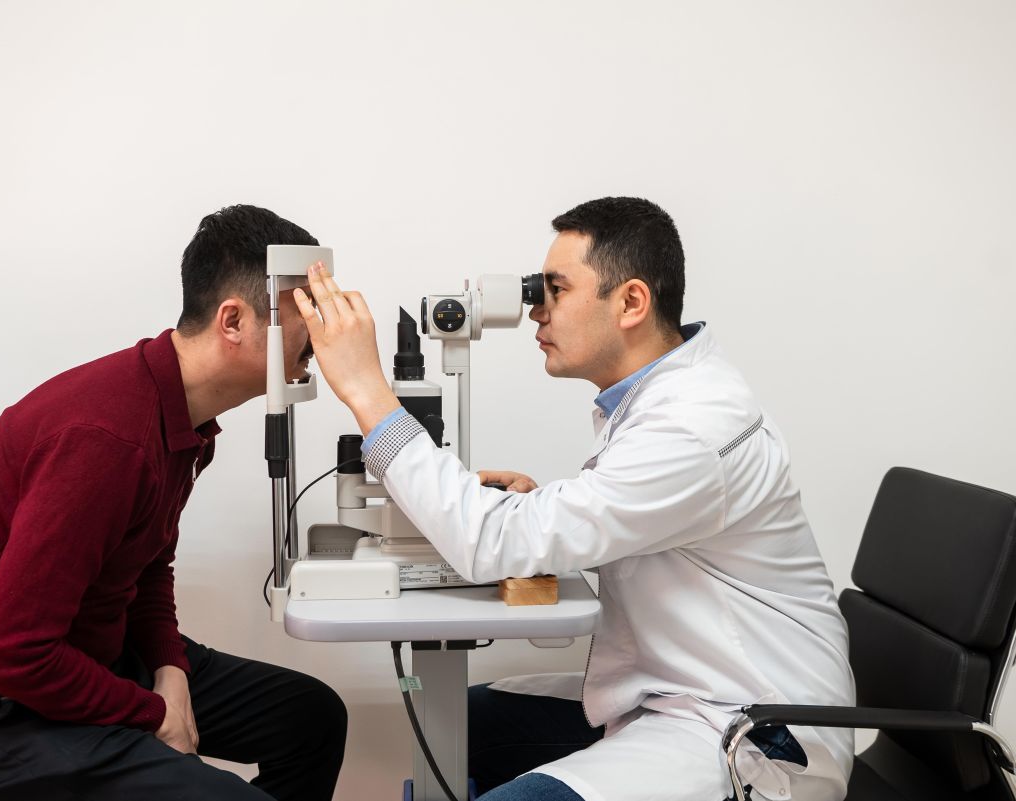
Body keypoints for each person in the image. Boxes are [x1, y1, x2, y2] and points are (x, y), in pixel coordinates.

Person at [293, 197, 855, 801]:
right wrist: (543, 509)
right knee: (455, 721)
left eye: (556, 289)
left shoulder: (693, 427)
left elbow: (490, 543)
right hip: (682, 689)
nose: (537, 309)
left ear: (631, 302)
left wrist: (368, 392)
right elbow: (636, 522)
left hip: (756, 728)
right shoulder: (662, 402)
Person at [0, 205, 347, 801]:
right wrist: (152, 713)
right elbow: (6, 654)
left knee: (311, 718)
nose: (322, 329)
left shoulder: (181, 418)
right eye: (305, 307)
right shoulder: (107, 440)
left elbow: (145, 566)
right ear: (233, 320)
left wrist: (170, 670)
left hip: (81, 654)